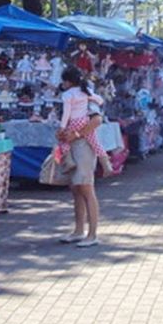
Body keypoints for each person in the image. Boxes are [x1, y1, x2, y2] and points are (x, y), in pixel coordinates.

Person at [56, 67, 105, 247]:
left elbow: (96, 120)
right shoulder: (76, 96)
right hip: (74, 146)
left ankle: (92, 234)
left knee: (86, 188)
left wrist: (76, 134)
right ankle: (79, 230)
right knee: (76, 189)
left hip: (84, 147)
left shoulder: (86, 98)